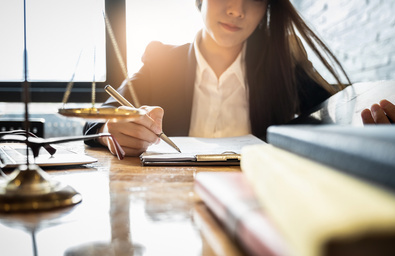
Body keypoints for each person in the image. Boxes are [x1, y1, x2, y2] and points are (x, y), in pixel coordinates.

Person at [84, 0, 392, 157]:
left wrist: (371, 127)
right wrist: (110, 129)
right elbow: (94, 121)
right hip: (172, 206)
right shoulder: (161, 61)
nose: (237, 10)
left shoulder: (282, 66)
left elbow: (335, 113)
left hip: (259, 203)